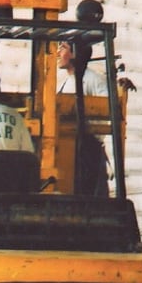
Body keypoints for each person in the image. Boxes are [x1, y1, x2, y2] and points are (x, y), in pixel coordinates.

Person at [55, 41, 109, 197]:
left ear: (74, 53)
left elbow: (105, 112)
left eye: (62, 48)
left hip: (86, 150)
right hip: (67, 148)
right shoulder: (66, 82)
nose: (57, 53)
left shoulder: (93, 80)